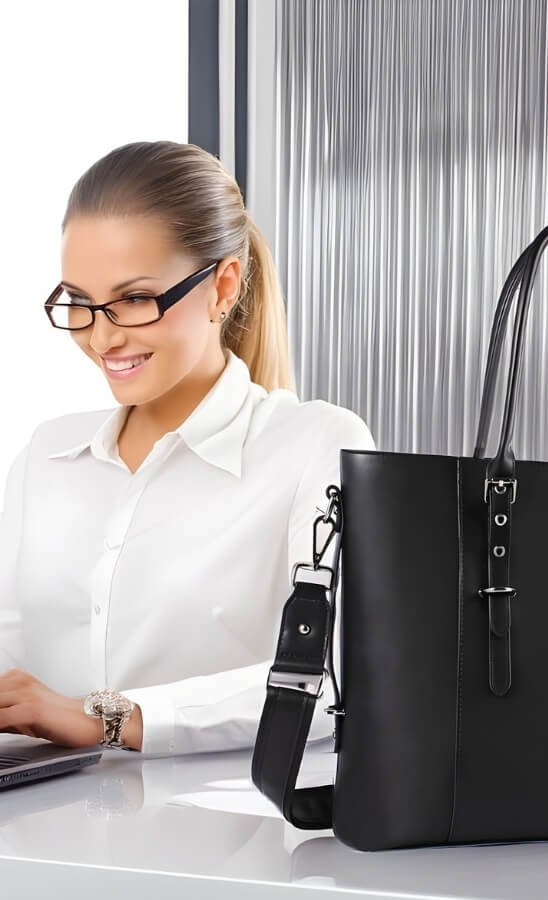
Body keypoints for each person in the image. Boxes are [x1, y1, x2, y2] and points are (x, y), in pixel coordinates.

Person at [0, 140, 375, 756]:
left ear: (223, 286)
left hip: (226, 842)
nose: (102, 336)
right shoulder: (47, 453)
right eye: (80, 302)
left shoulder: (316, 445)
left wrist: (109, 718)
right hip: (33, 825)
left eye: (134, 299)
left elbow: (335, 679)